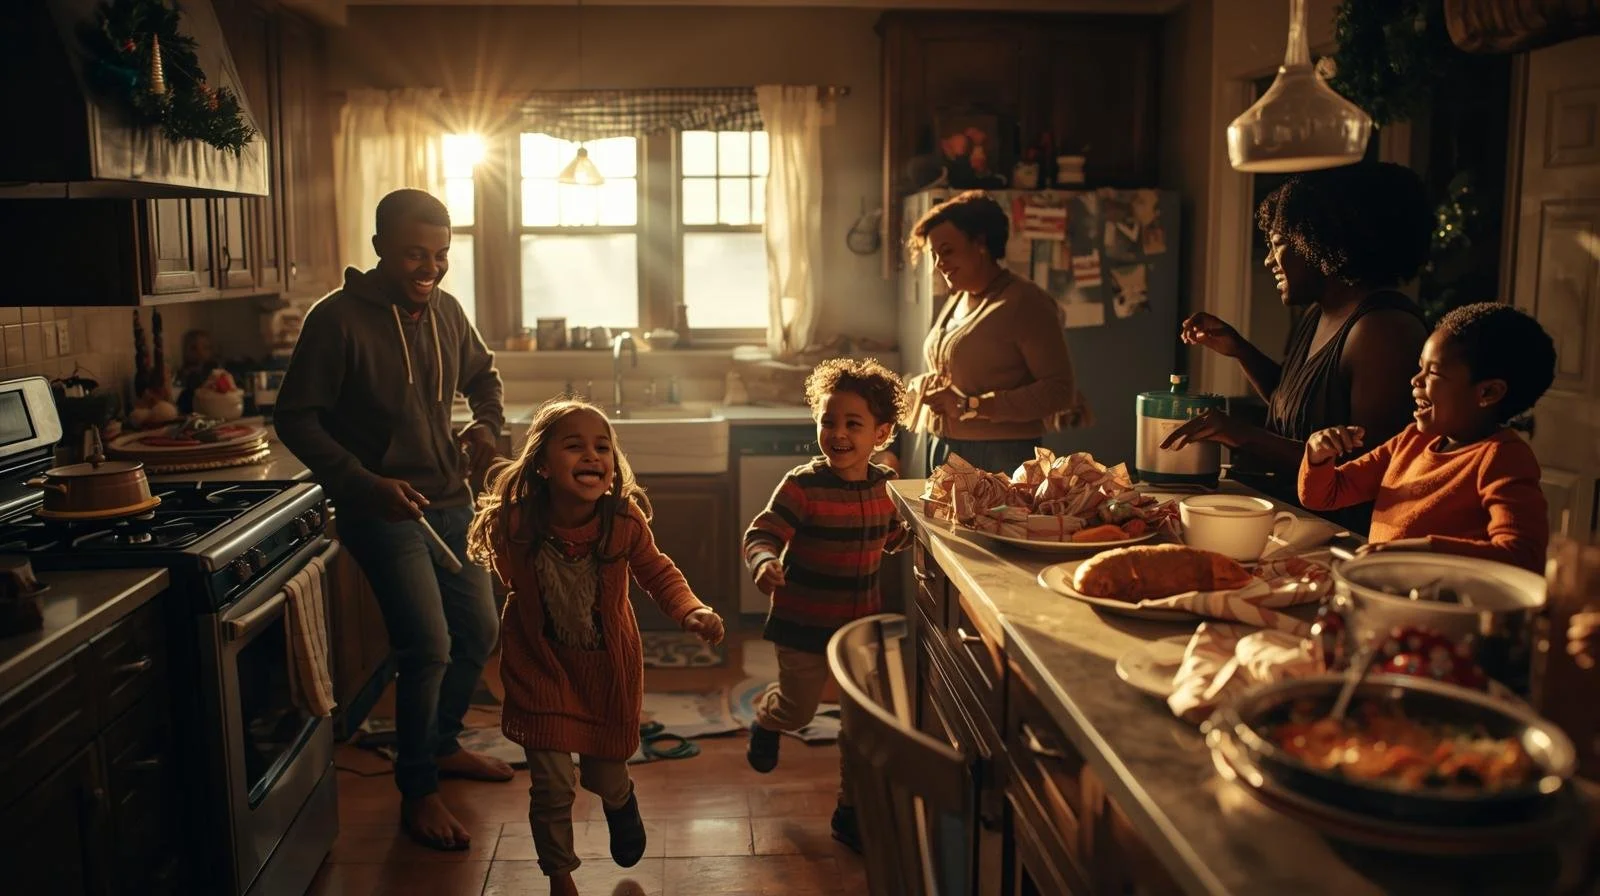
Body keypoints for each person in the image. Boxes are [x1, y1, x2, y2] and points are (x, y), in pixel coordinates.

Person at [275, 188, 509, 852]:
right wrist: (361, 482)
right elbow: (294, 417)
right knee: (427, 647)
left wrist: (486, 425)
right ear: (379, 248)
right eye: (414, 254)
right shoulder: (336, 320)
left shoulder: (448, 312)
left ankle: (442, 744)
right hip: (381, 508)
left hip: (450, 500)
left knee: (479, 631)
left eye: (440, 254)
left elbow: (484, 377)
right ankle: (418, 791)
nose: (430, 268)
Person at [465, 399, 724, 896]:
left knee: (604, 774)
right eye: (574, 446)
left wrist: (691, 610)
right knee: (551, 786)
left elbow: (657, 572)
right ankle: (560, 876)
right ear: (542, 464)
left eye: (602, 447)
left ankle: (619, 798)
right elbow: (509, 575)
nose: (592, 455)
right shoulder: (516, 524)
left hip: (605, 673)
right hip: (538, 667)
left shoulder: (622, 521)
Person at [1166, 162, 1432, 533]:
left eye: (1278, 245)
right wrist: (1240, 349)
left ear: (1322, 242)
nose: (1269, 260)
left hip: (1345, 538)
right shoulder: (1321, 312)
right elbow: (1297, 404)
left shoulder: (1383, 330)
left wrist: (1242, 433)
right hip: (1299, 523)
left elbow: (1361, 467)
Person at [742, 358, 913, 853]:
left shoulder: (886, 488)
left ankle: (849, 810)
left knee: (858, 722)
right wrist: (763, 562)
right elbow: (762, 532)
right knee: (800, 710)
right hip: (801, 624)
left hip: (859, 627)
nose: (837, 433)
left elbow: (893, 537)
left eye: (852, 424)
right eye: (828, 421)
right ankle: (769, 719)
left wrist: (920, 532)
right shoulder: (802, 485)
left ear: (881, 433)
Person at [1298, 303, 1556, 573]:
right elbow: (1325, 496)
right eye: (1420, 368)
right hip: (1387, 593)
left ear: (1488, 392)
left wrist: (1418, 552)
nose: (1415, 380)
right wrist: (1319, 456)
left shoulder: (1504, 458)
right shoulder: (1412, 441)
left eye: (1433, 372)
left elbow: (1523, 555)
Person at [905, 190, 1089, 475]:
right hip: (944, 445)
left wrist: (972, 405)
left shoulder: (1025, 302)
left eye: (947, 251)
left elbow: (1059, 391)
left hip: (1000, 454)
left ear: (980, 243)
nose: (939, 264)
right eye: (934, 255)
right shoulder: (959, 298)